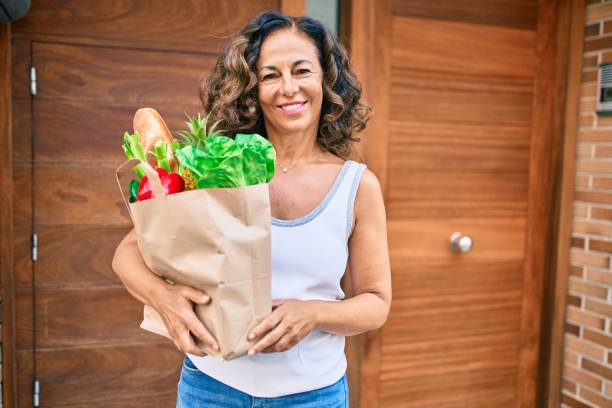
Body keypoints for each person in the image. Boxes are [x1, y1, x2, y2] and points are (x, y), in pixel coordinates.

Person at [112, 11, 391, 408]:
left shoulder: (357, 186)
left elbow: (376, 303)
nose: (288, 88)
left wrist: (312, 313)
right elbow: (126, 255)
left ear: (326, 82)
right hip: (210, 388)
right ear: (252, 88)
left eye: (301, 71)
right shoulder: (216, 167)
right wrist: (164, 299)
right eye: (270, 75)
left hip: (313, 396)